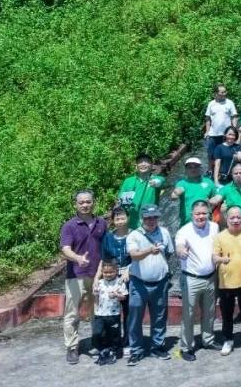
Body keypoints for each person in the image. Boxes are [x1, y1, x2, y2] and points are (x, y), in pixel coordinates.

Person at [60, 189, 107, 364]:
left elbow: (105, 248)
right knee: (72, 313)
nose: (85, 205)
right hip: (76, 275)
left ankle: (97, 341)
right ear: (76, 205)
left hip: (97, 275)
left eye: (88, 201)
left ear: (93, 202)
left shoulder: (102, 223)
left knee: (98, 311)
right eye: (81, 202)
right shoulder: (69, 225)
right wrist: (78, 258)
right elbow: (65, 249)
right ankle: (72, 347)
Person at [125, 204, 174, 366]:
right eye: (148, 218)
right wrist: (148, 251)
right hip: (139, 283)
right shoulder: (134, 235)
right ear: (142, 219)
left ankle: (157, 347)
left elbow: (168, 253)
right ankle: (136, 350)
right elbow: (134, 255)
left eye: (154, 217)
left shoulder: (165, 232)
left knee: (159, 316)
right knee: (135, 317)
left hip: (161, 282)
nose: (151, 220)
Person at [175, 200, 219, 361]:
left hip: (211, 277)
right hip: (191, 279)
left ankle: (208, 340)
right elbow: (179, 246)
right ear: (191, 214)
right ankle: (186, 347)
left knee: (209, 311)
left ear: (208, 213)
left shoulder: (214, 227)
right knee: (189, 314)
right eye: (197, 214)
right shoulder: (184, 231)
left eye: (204, 213)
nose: (201, 216)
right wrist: (181, 251)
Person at [213, 205, 241, 355]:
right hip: (226, 282)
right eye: (232, 217)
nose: (235, 220)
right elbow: (214, 257)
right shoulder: (220, 236)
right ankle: (228, 340)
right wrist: (222, 259)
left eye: (238, 217)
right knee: (227, 314)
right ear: (227, 219)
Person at [91, 259, 128, 365]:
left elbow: (124, 297)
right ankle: (102, 349)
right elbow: (95, 297)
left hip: (114, 314)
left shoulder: (119, 282)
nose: (108, 274)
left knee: (114, 335)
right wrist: (95, 293)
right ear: (102, 271)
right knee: (97, 333)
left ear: (116, 271)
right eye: (105, 272)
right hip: (100, 314)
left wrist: (117, 295)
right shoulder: (99, 282)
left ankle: (112, 351)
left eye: (111, 272)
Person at [117, 153, 167, 229]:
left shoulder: (156, 179)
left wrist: (156, 182)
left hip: (150, 224)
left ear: (152, 165)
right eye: (140, 162)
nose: (143, 164)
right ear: (136, 166)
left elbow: (163, 181)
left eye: (146, 162)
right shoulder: (128, 181)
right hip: (131, 224)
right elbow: (121, 201)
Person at [171, 157, 216, 228]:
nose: (193, 169)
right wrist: (175, 194)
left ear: (201, 168)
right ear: (186, 170)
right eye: (190, 167)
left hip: (205, 222)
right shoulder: (181, 183)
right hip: (186, 223)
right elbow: (174, 196)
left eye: (196, 167)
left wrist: (210, 208)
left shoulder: (209, 182)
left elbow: (215, 200)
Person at [203, 84, 238, 175]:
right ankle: (210, 171)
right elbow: (208, 119)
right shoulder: (211, 104)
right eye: (222, 92)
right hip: (213, 134)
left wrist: (234, 128)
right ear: (216, 93)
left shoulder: (230, 103)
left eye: (225, 92)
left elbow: (234, 116)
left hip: (226, 134)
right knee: (211, 154)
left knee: (225, 153)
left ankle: (224, 172)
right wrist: (207, 131)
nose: (224, 93)